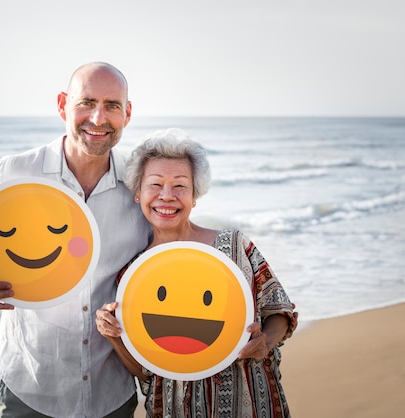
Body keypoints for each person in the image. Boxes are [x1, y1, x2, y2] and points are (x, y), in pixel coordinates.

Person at [0, 62, 152, 417]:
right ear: (62, 105)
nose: (98, 118)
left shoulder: (140, 185)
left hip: (112, 394)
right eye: (86, 102)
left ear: (128, 113)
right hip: (29, 387)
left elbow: (168, 256)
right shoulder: (16, 173)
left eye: (112, 105)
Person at [95, 128, 297, 418]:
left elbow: (280, 311)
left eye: (180, 186)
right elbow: (145, 370)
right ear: (138, 193)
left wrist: (266, 340)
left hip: (251, 402)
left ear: (194, 195)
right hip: (176, 409)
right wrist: (112, 334)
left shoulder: (234, 247)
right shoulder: (132, 274)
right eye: (156, 184)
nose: (167, 196)